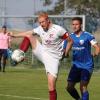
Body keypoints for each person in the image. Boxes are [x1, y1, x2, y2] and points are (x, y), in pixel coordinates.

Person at [10, 12, 73, 100]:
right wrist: (15, 35)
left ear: (48, 20)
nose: (41, 24)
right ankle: (19, 55)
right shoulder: (40, 29)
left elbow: (70, 41)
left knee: (51, 87)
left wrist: (66, 53)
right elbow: (29, 32)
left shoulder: (58, 29)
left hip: (54, 59)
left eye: (43, 22)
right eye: (40, 23)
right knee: (29, 36)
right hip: (43, 52)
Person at [65, 17, 100, 100]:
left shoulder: (87, 35)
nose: (74, 26)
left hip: (87, 66)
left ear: (80, 25)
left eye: (76, 24)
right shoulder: (70, 37)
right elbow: (65, 51)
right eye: (73, 24)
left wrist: (95, 54)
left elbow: (97, 47)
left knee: (83, 86)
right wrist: (64, 54)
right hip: (76, 66)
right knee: (69, 87)